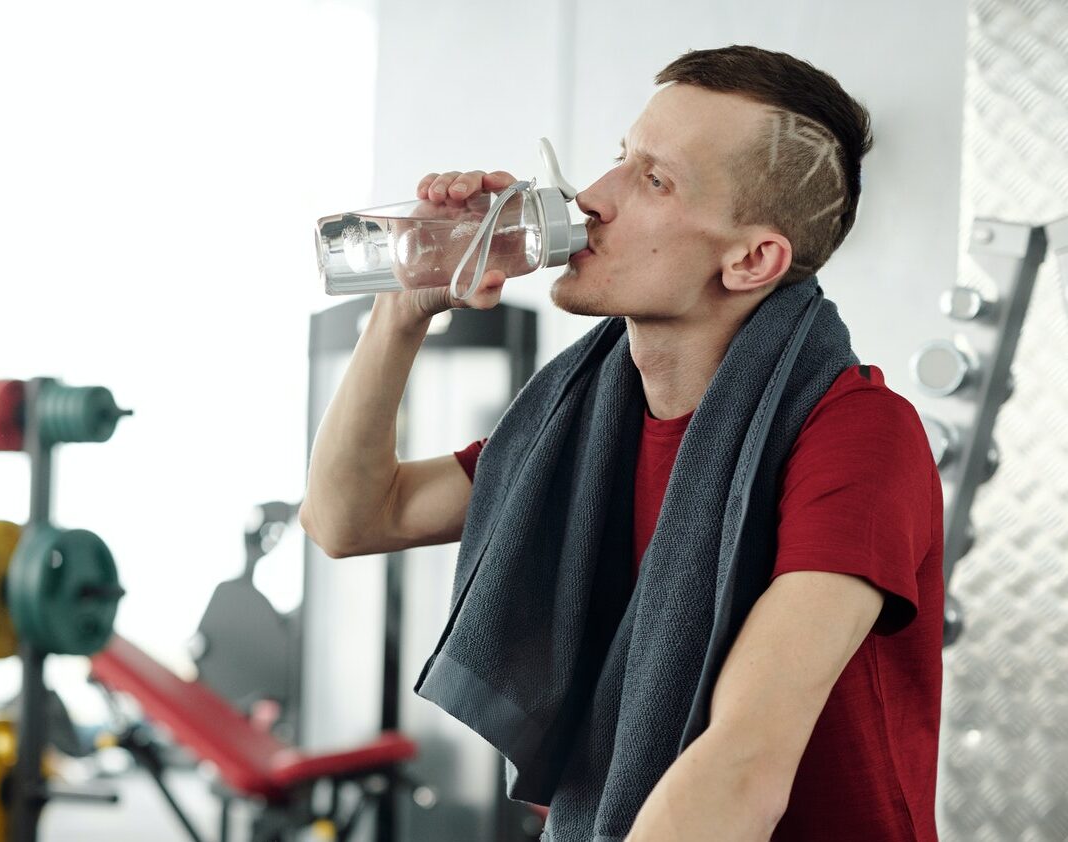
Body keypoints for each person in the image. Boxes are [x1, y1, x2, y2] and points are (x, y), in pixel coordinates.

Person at [301, 44, 942, 842]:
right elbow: (350, 517)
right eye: (618, 159)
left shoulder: (857, 433)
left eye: (653, 179)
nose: (591, 198)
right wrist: (406, 305)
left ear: (749, 260)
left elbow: (742, 761)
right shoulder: (578, 429)